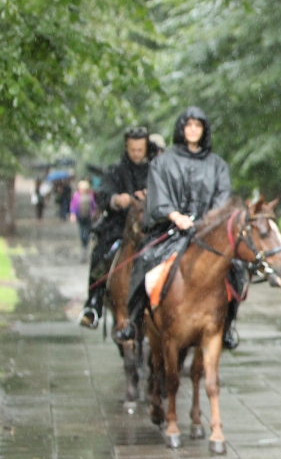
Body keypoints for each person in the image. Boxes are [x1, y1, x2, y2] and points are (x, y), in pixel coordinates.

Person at [115, 107, 236, 347]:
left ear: (203, 130)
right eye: (188, 125)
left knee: (236, 268)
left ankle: (228, 325)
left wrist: (207, 221)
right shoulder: (163, 162)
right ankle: (135, 319)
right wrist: (175, 216)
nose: (192, 130)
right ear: (181, 128)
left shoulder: (217, 165)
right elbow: (158, 196)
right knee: (145, 260)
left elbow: (222, 199)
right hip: (170, 230)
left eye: (197, 125)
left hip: (205, 234)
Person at [79, 126, 150, 328]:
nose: (136, 153)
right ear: (127, 147)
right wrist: (117, 200)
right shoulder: (115, 170)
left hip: (150, 226)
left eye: (140, 149)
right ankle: (93, 303)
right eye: (133, 149)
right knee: (101, 254)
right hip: (119, 227)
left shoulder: (156, 170)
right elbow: (103, 195)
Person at [69, 180, 96, 261]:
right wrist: (73, 214)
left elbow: (94, 205)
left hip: (88, 217)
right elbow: (73, 206)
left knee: (87, 231)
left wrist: (94, 213)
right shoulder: (76, 196)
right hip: (80, 217)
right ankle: (84, 245)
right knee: (82, 232)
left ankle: (86, 244)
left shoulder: (90, 196)